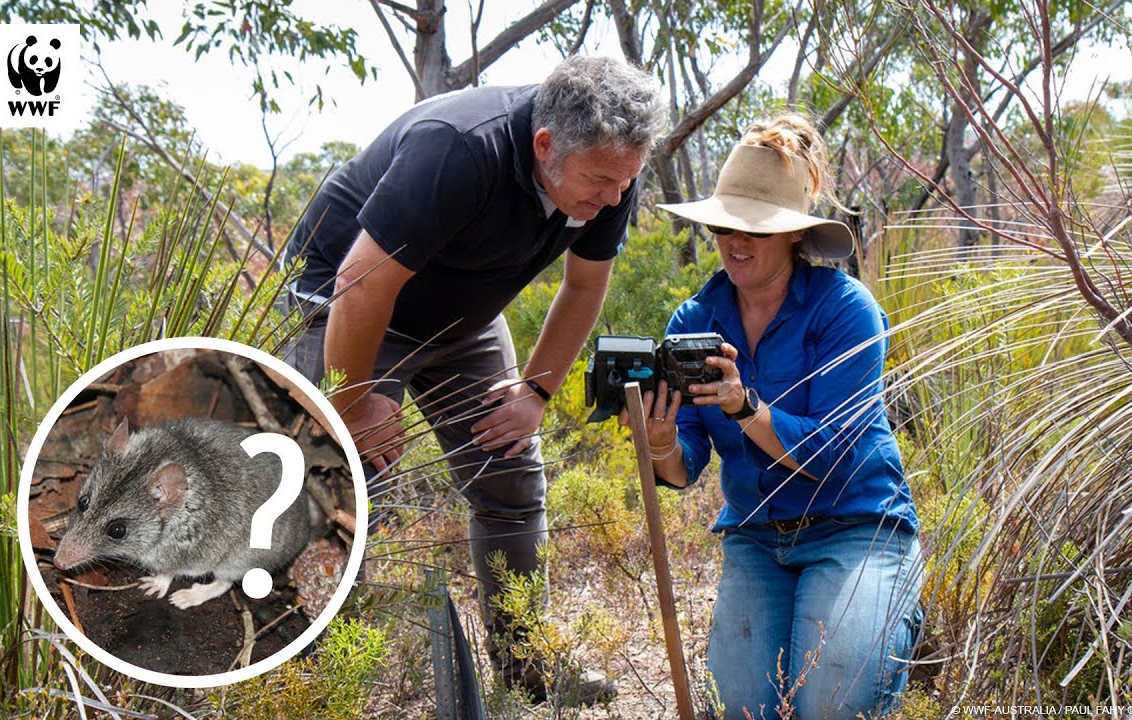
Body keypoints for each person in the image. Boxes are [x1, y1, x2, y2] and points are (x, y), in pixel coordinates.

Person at [280, 55, 664, 704]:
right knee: (335, 490)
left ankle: (528, 675)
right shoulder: (460, 150)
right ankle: (319, 686)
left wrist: (535, 394)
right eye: (601, 180)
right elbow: (358, 283)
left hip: (463, 317)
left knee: (511, 477)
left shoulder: (610, 174)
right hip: (351, 305)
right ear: (545, 146)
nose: (615, 198)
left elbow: (585, 283)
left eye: (625, 181)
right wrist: (353, 403)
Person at [634, 114, 922, 718]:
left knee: (834, 701)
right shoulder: (693, 322)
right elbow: (683, 467)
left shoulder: (846, 312)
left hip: (856, 525)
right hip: (757, 539)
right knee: (738, 708)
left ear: (794, 235)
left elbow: (828, 459)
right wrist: (659, 441)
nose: (735, 243)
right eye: (724, 227)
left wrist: (746, 407)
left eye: (756, 231)